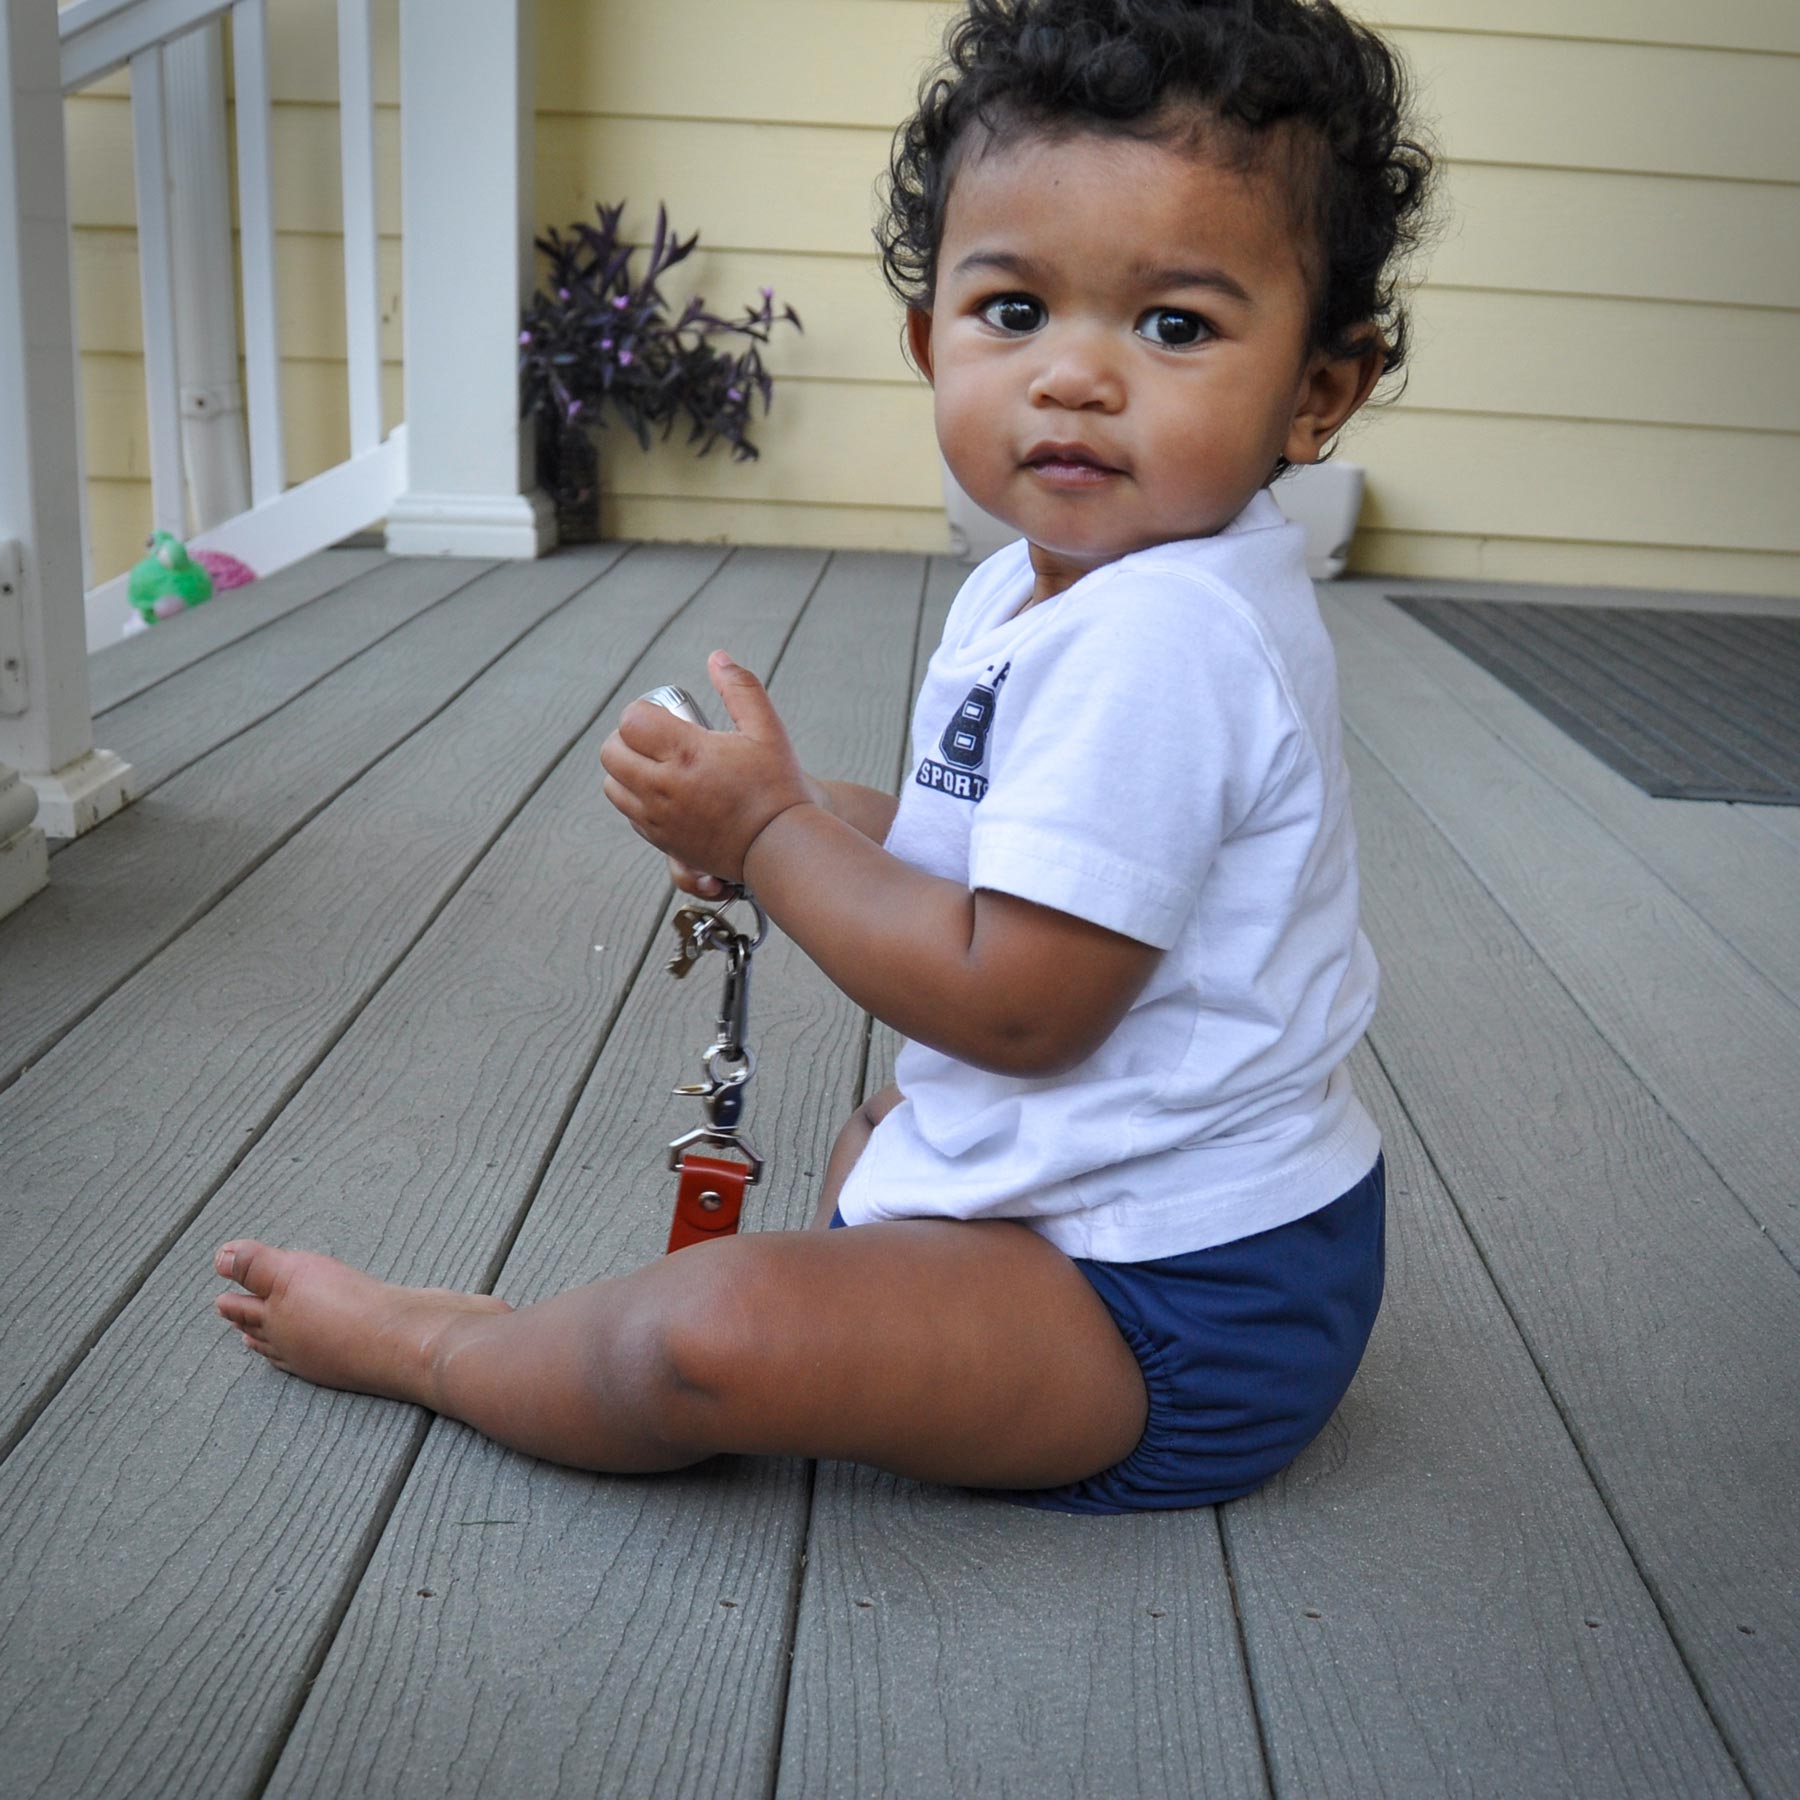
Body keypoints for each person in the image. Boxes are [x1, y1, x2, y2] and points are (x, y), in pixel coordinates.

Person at [214, 0, 1435, 1513]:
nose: (1074, 376)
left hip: (1173, 1303)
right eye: (1013, 312)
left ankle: (446, 1348)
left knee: (704, 1339)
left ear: (1318, 389)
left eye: (1175, 326)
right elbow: (983, 848)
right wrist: (785, 821)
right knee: (874, 1140)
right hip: (1138, 1224)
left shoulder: (1163, 639)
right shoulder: (1051, 582)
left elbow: (1017, 1006)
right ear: (932, 342)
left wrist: (781, 835)